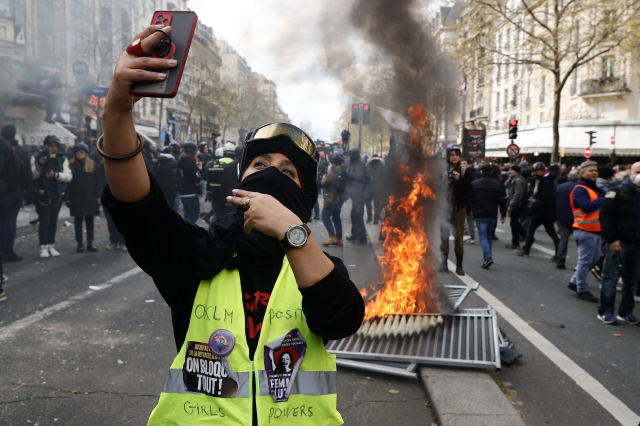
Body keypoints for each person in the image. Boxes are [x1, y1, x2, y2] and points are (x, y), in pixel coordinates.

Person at [100, 27, 363, 425]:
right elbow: (137, 207)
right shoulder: (199, 253)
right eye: (260, 166)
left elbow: (341, 317)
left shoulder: (316, 266)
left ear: (302, 201)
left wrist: (293, 233)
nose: (271, 175)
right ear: (241, 184)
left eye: (287, 172)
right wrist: (117, 112)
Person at [597, 162, 640, 324]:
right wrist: (612, 239)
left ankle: (626, 311)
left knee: (632, 280)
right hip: (619, 244)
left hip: (636, 245)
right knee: (611, 278)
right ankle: (606, 311)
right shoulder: (617, 191)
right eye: (638, 171)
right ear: (630, 173)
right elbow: (605, 216)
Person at [31, 135, 72, 258]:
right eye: (51, 146)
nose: (53, 148)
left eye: (55, 146)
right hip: (42, 194)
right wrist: (40, 165)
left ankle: (51, 245)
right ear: (45, 146)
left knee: (53, 221)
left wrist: (55, 175)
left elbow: (68, 176)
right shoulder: (35, 158)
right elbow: (32, 175)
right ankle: (43, 246)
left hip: (56, 194)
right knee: (44, 221)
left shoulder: (62, 158)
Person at [568, 162, 603, 303]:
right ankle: (582, 290)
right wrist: (602, 198)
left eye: (596, 170)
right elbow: (587, 207)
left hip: (595, 230)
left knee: (593, 260)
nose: (594, 173)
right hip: (585, 230)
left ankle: (574, 281)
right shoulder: (580, 189)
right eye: (591, 171)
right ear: (582, 174)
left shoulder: (594, 189)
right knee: (585, 261)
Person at [0, 124, 33, 262]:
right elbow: (26, 174)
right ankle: (7, 252)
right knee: (9, 222)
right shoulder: (20, 150)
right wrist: (29, 193)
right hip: (14, 192)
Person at [439, 144, 472, 275]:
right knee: (444, 234)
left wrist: (458, 180)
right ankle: (444, 263)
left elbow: (468, 190)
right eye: (452, 155)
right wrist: (442, 179)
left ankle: (459, 265)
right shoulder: (441, 169)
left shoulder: (464, 171)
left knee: (459, 235)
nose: (454, 157)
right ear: (447, 156)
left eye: (457, 155)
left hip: (459, 206)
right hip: (444, 205)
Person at [515, 162, 560, 258]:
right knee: (551, 233)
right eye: (535, 171)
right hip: (543, 211)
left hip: (542, 211)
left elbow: (550, 198)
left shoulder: (546, 181)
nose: (536, 173)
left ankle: (526, 250)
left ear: (543, 170)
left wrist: (552, 214)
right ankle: (559, 254)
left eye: (538, 171)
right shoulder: (542, 179)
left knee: (531, 229)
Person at [65, 143, 102, 253]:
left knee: (90, 221)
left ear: (86, 153)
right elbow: (67, 183)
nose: (80, 154)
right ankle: (79, 244)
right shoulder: (70, 166)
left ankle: (90, 243)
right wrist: (66, 198)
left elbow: (99, 183)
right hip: (76, 198)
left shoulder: (93, 165)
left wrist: (99, 196)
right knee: (78, 221)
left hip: (90, 197)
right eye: (77, 153)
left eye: (82, 152)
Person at [470, 164, 507, 269]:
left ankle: (488, 257)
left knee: (482, 236)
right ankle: (486, 258)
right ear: (491, 172)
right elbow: (502, 200)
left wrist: (468, 211)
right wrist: (503, 214)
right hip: (492, 214)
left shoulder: (475, 183)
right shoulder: (497, 184)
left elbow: (470, 199)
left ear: (481, 172)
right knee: (489, 236)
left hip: (479, 213)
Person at [555, 173, 580, 270]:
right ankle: (580, 263)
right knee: (580, 241)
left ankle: (560, 260)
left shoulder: (560, 187)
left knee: (563, 239)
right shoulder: (579, 187)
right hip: (576, 217)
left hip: (562, 216)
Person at [321, 154, 347, 246]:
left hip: (332, 199)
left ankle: (332, 237)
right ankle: (339, 239)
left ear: (333, 163)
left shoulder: (332, 172)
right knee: (336, 218)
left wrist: (324, 178)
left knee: (324, 216)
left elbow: (324, 184)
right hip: (340, 199)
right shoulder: (343, 170)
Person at [345, 148, 369, 245]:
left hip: (360, 194)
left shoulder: (359, 164)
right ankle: (355, 235)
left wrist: (348, 174)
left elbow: (359, 177)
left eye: (350, 155)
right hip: (356, 193)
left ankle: (362, 238)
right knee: (354, 215)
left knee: (358, 216)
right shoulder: (355, 163)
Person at [177, 142, 203, 223]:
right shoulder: (191, 163)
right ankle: (185, 231)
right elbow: (196, 178)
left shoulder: (180, 161)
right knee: (194, 214)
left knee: (187, 214)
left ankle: (184, 232)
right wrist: (199, 170)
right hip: (191, 191)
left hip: (182, 191)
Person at [505, 165, 528, 250]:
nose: (510, 172)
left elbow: (518, 194)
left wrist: (511, 205)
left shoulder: (518, 180)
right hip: (516, 204)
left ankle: (516, 242)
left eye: (512, 170)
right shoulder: (514, 179)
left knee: (514, 224)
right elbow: (505, 185)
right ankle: (525, 237)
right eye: (509, 170)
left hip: (517, 205)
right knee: (514, 223)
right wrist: (509, 178)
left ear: (517, 172)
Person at [220, 146, 242, 215]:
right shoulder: (247, 165)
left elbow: (223, 183)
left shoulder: (228, 166)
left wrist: (225, 199)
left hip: (231, 196)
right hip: (243, 196)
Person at [364, 155, 385, 225]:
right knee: (377, 204)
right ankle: (375, 219)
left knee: (368, 203)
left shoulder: (368, 166)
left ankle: (369, 217)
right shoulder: (381, 166)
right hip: (377, 187)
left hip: (369, 187)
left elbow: (366, 177)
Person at [461, 159, 477, 244]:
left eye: (464, 163)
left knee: (470, 219)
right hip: (461, 199)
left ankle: (472, 236)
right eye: (462, 163)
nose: (463, 165)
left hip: (469, 200)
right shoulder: (459, 173)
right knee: (462, 219)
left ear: (468, 165)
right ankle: (466, 234)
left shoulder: (472, 174)